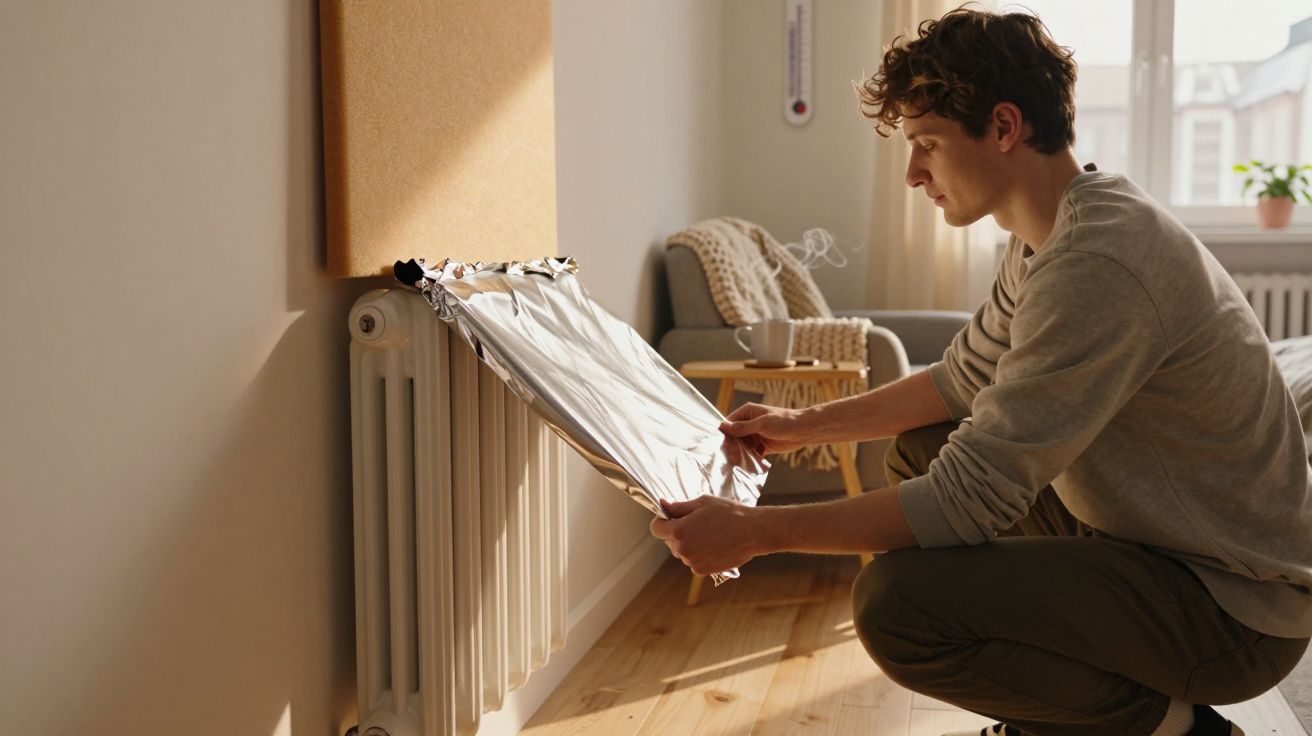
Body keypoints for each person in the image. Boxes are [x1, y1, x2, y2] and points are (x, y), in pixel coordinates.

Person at [648, 7, 1312, 736]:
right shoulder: (1050, 231)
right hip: (1150, 544)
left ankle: (1179, 729)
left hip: (1232, 610)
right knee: (918, 449)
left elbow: (970, 499)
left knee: (897, 605)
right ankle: (1055, 694)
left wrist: (754, 532)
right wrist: (799, 423)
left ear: (1003, 128)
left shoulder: (1098, 264)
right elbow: (956, 382)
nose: (911, 175)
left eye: (926, 144)